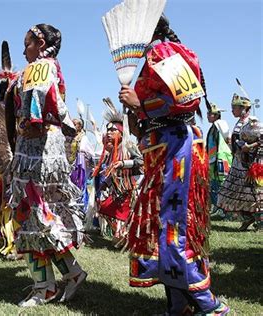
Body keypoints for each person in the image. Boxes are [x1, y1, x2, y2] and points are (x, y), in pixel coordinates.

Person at [118, 16, 229, 315]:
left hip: (176, 151)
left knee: (173, 227)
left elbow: (188, 101)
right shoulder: (156, 55)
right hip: (165, 148)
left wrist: (139, 105)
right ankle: (178, 306)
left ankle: (210, 306)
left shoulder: (165, 52)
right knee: (163, 226)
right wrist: (134, 109)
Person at [8, 24, 86, 307]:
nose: (23, 49)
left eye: (26, 43)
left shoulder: (39, 68)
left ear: (40, 43)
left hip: (37, 146)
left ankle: (46, 287)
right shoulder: (47, 66)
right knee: (40, 216)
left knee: (32, 214)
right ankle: (69, 275)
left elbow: (38, 102)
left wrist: (31, 124)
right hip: (43, 146)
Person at [93, 109, 142, 240]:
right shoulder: (114, 150)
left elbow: (141, 161)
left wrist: (123, 163)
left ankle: (127, 237)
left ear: (121, 132)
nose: (108, 133)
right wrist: (104, 184)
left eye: (112, 130)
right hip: (119, 189)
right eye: (108, 130)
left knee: (129, 214)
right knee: (104, 208)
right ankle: (122, 235)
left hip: (133, 186)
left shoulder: (128, 145)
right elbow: (112, 171)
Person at [217, 94, 262, 230]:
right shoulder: (239, 122)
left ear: (244, 108)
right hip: (237, 163)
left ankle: (260, 221)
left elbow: (261, 139)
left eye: (234, 108)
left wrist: (250, 147)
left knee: (254, 193)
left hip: (249, 165)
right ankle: (247, 218)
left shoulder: (253, 122)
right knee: (233, 191)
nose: (232, 111)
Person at [206, 103, 232, 218]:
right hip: (213, 159)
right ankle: (217, 208)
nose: (207, 116)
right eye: (207, 113)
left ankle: (224, 211)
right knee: (214, 184)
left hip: (221, 158)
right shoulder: (213, 126)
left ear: (216, 115)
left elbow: (227, 138)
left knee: (221, 183)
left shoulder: (220, 124)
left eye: (210, 114)